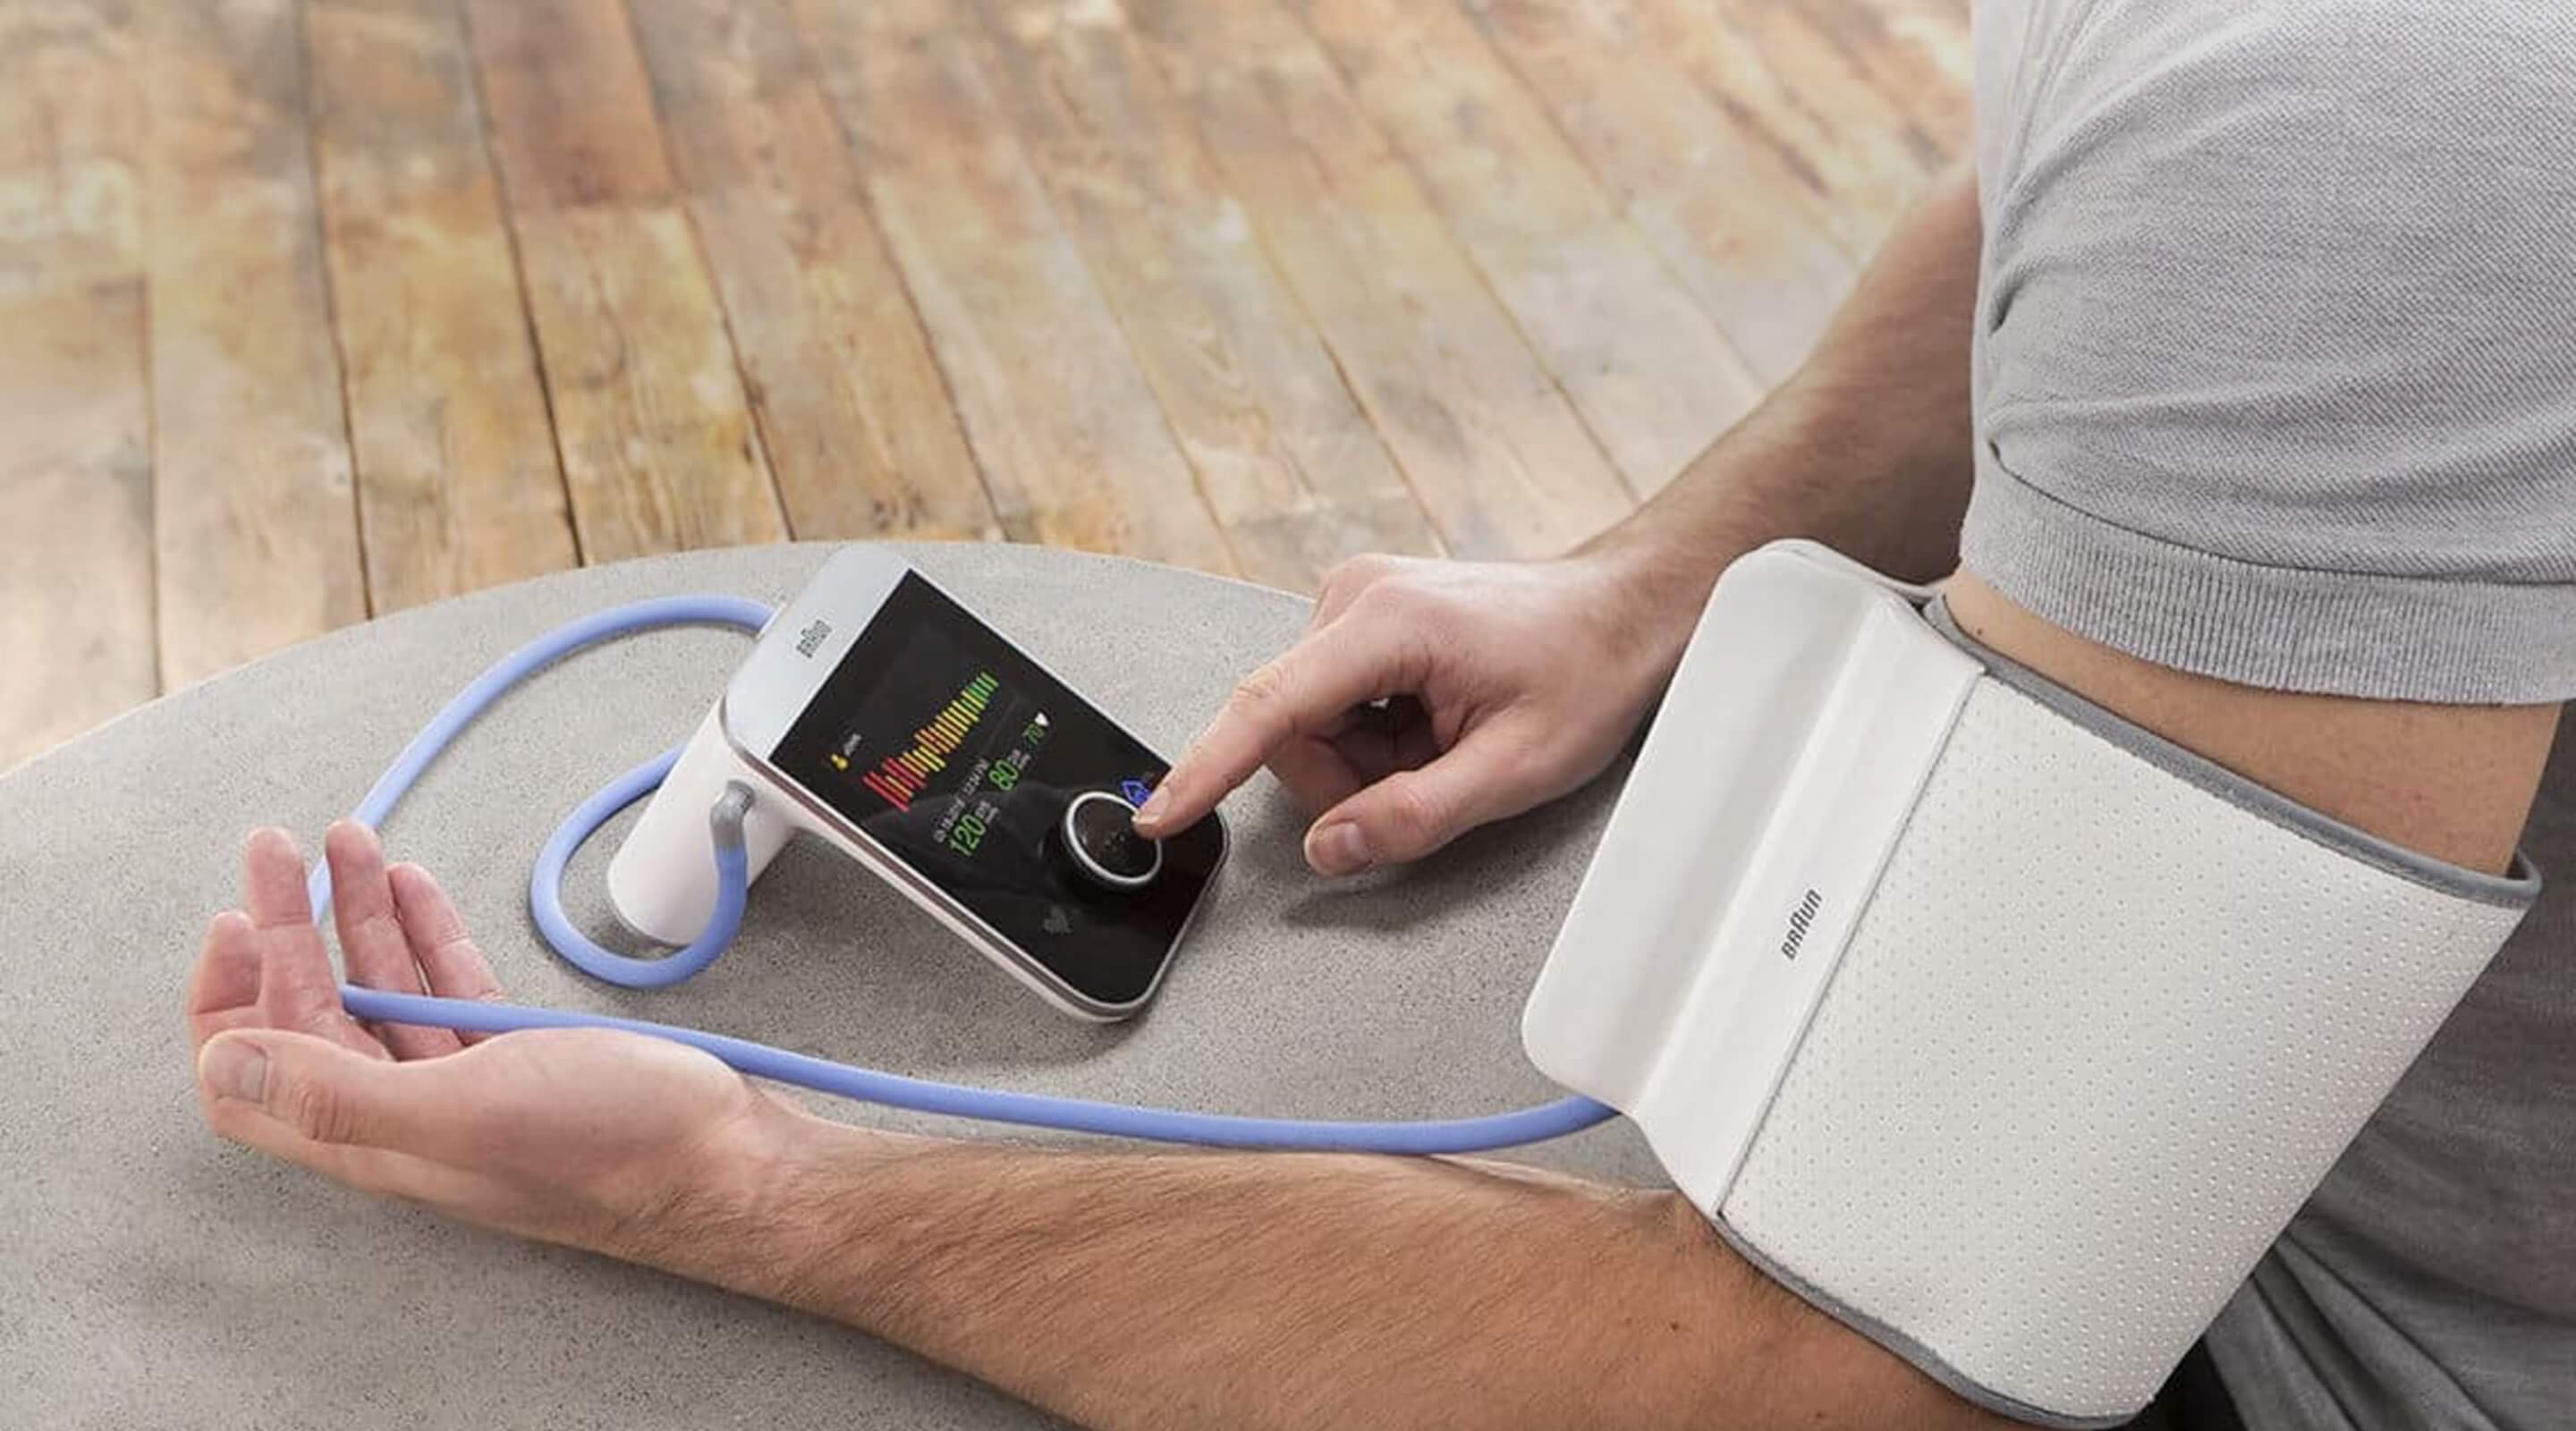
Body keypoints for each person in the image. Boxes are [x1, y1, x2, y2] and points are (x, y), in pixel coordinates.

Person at [183, 1, 2573, 1426]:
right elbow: (2107, 169)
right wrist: (1665, 578)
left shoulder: (2377, 101)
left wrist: (746, 1194)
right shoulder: (2308, 106)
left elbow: (1854, 1382)